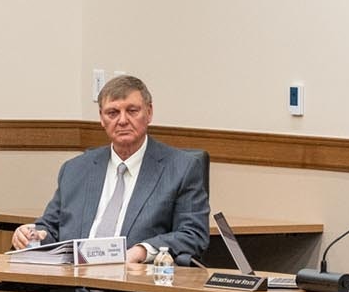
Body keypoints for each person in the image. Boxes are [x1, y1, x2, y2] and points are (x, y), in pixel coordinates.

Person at [12, 74, 210, 266]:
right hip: (74, 289)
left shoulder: (181, 168)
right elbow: (50, 228)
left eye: (132, 111)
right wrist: (32, 235)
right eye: (112, 113)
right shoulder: (75, 170)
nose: (122, 120)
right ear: (101, 118)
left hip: (137, 289)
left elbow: (193, 234)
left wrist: (142, 251)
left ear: (149, 113)